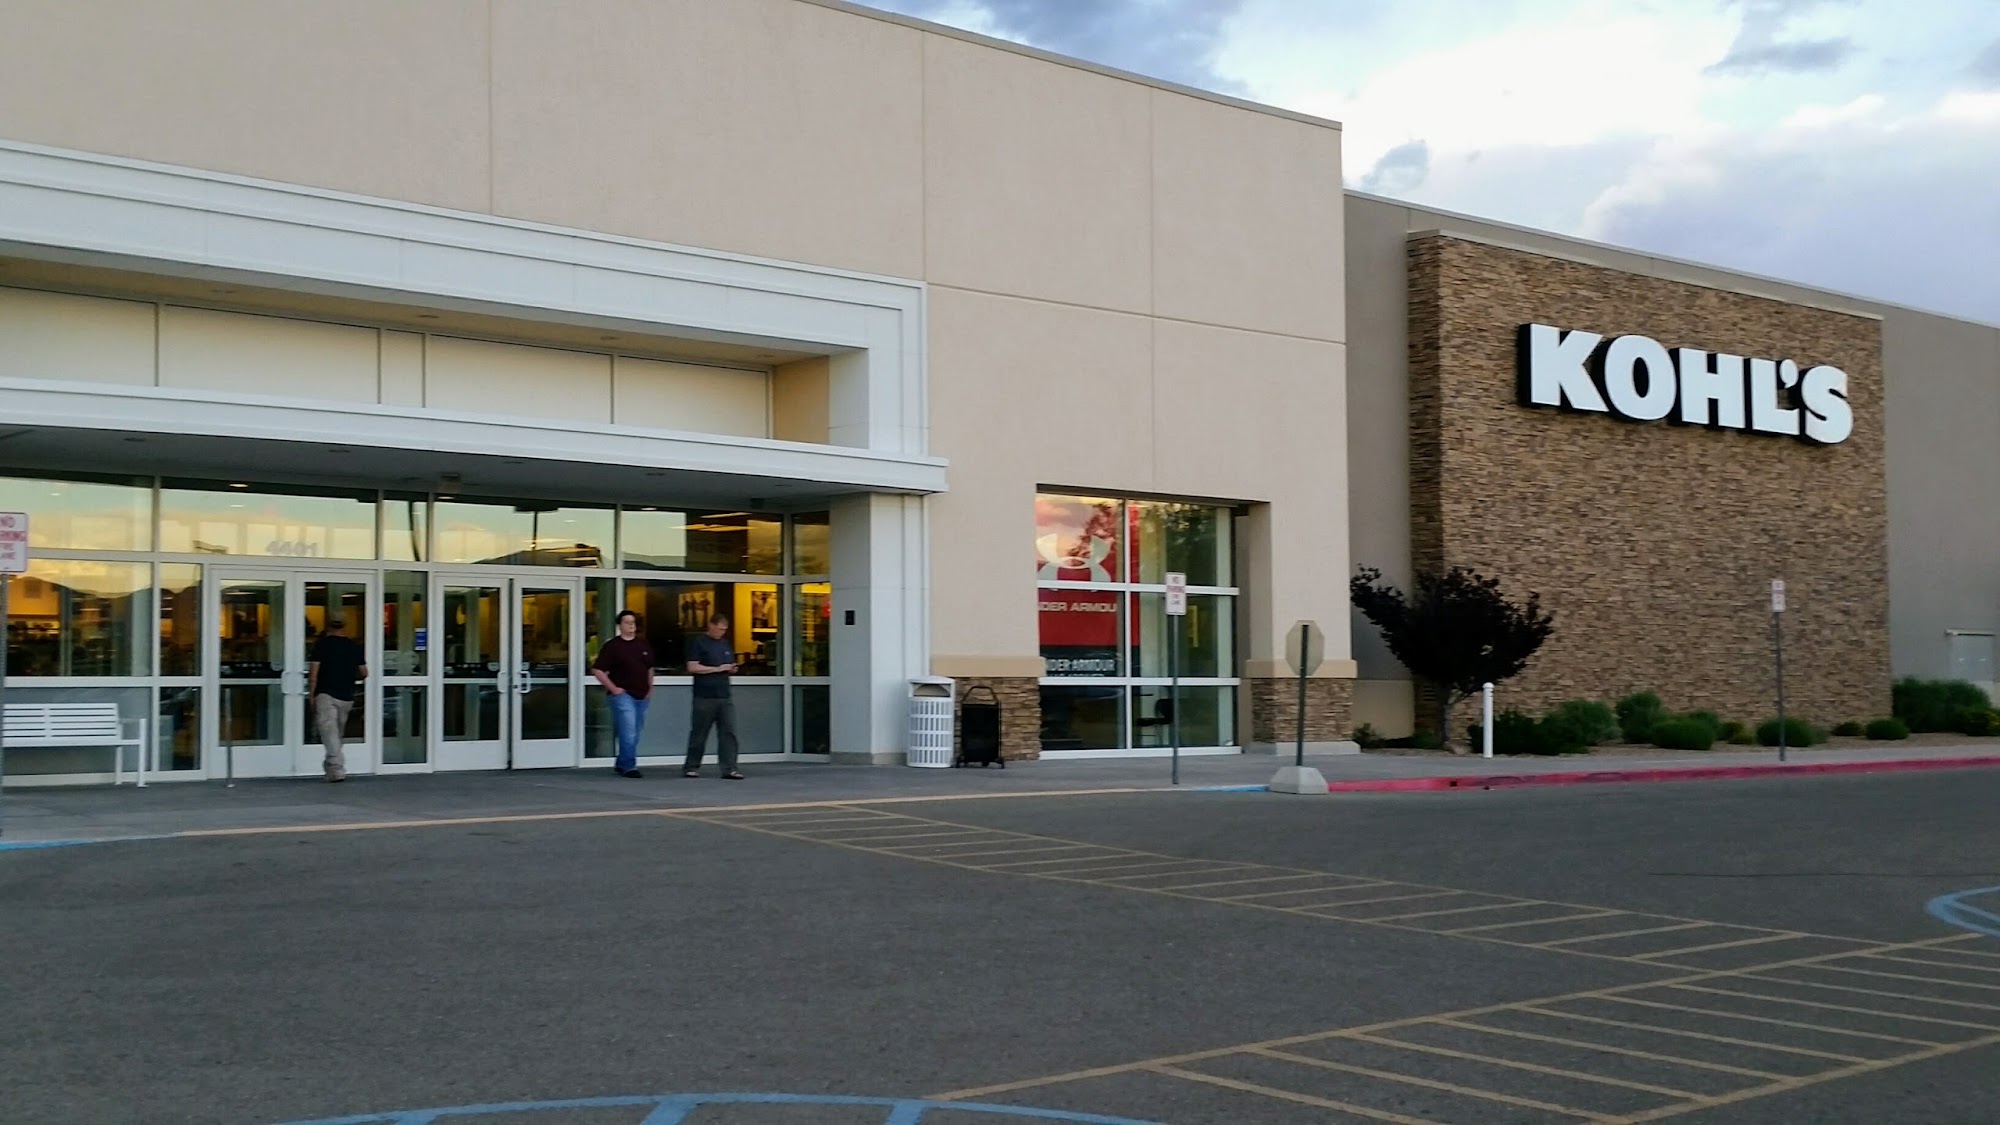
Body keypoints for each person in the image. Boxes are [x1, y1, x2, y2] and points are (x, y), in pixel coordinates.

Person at [590, 609, 654, 778]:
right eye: (627, 622)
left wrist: (650, 688)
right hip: (623, 695)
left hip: (642, 695)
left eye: (633, 622)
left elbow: (649, 668)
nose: (631, 625)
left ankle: (622, 762)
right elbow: (598, 670)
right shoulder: (613, 646)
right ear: (620, 626)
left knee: (635, 732)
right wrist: (614, 689)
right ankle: (629, 766)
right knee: (629, 731)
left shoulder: (643, 645)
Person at [308, 614, 367, 783]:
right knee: (336, 734)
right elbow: (364, 672)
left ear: (328, 625)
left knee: (329, 733)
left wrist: (311, 695)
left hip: (325, 694)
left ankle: (336, 769)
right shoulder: (354, 646)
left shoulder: (322, 645)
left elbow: (313, 674)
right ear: (344, 625)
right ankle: (333, 768)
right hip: (347, 695)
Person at [684, 614, 744, 779]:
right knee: (699, 732)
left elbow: (727, 664)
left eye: (724, 630)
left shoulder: (725, 644)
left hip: (724, 695)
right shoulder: (699, 642)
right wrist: (717, 669)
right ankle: (691, 766)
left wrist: (731, 668)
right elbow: (692, 667)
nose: (721, 633)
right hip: (704, 696)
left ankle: (729, 768)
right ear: (711, 625)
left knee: (729, 732)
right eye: (719, 629)